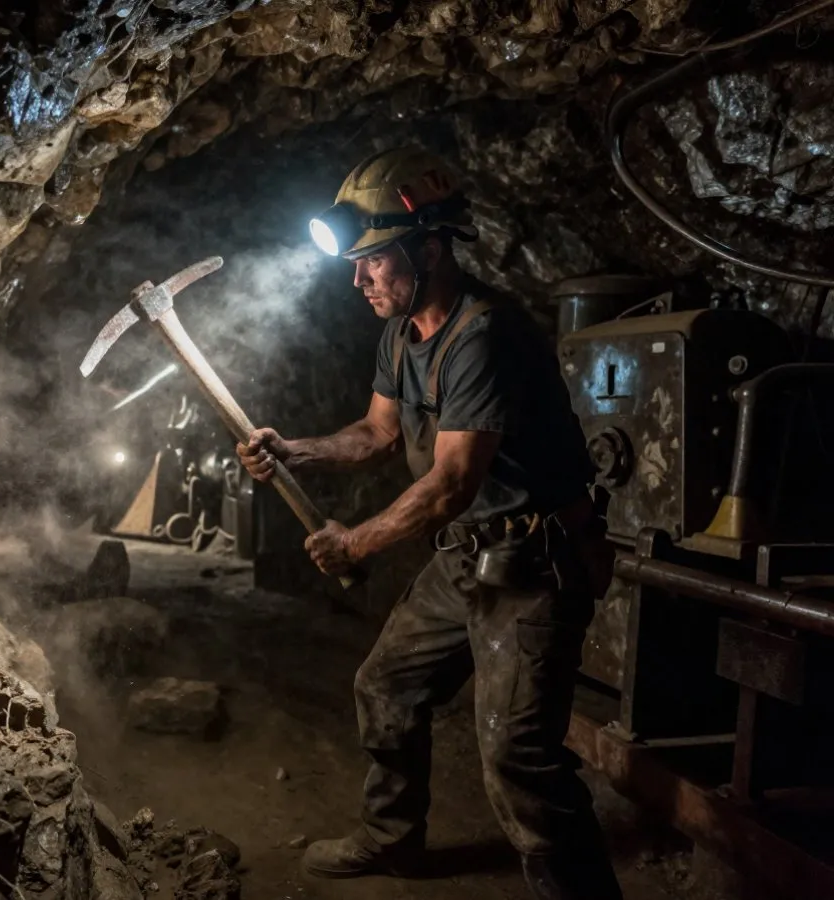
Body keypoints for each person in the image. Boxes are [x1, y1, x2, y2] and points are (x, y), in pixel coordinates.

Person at [236, 147, 622, 900]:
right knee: (386, 686)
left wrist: (354, 541)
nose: (358, 280)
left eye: (375, 261)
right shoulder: (401, 331)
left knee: (519, 757)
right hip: (465, 560)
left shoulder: (484, 336)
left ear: (432, 249)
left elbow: (449, 484)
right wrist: (297, 451)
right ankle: (392, 840)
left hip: (533, 567)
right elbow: (378, 434)